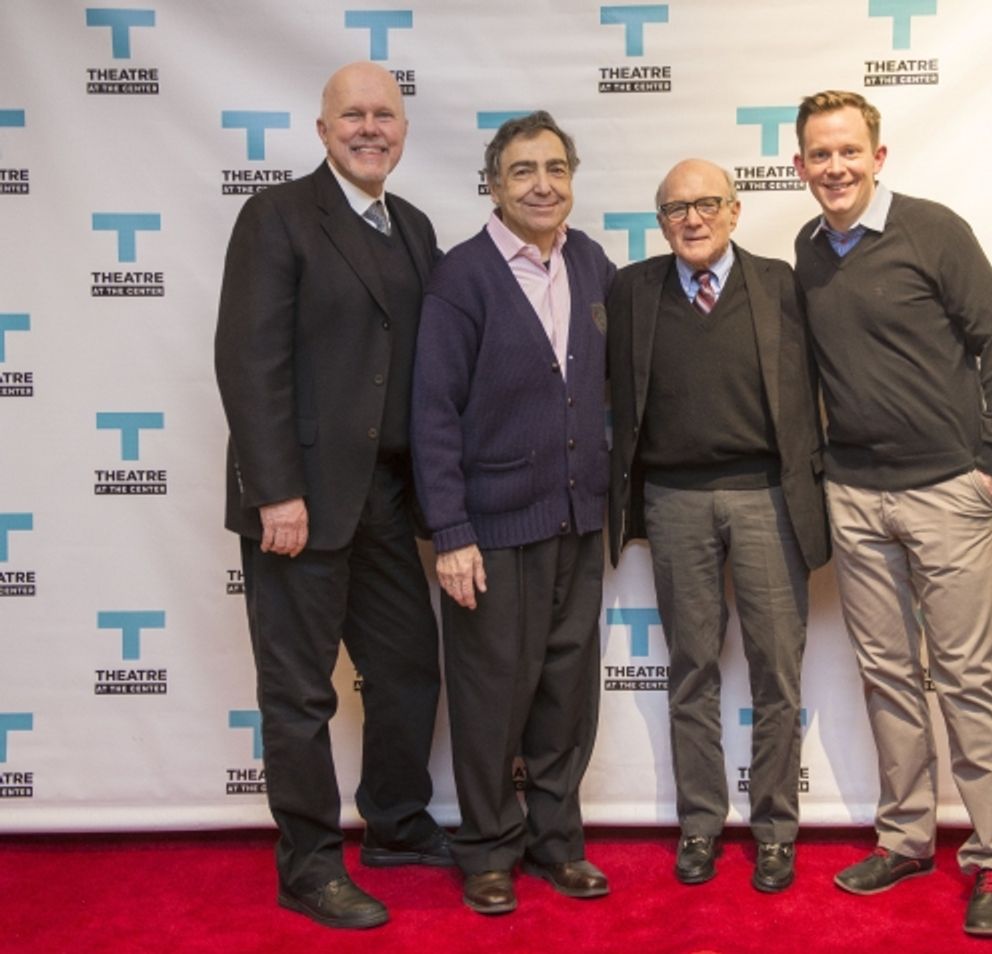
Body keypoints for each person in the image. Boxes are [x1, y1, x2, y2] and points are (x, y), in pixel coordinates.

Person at [791, 90, 992, 937]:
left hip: (946, 494)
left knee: (967, 679)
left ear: (878, 156)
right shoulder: (808, 249)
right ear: (799, 166)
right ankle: (904, 837)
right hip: (854, 496)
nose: (835, 168)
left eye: (849, 152)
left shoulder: (935, 231)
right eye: (819, 155)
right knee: (889, 676)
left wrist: (990, 469)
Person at [214, 61, 450, 931]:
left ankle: (394, 824)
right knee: (301, 692)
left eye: (384, 115)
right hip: (300, 505)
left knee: (407, 671)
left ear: (402, 130)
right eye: (352, 114)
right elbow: (249, 361)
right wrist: (275, 490)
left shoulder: (416, 228)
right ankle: (309, 865)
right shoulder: (277, 216)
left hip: (386, 497)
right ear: (322, 129)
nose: (369, 128)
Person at [410, 111, 614, 916]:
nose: (542, 183)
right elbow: (432, 415)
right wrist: (452, 533)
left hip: (576, 522)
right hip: (492, 532)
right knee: (493, 695)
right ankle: (489, 847)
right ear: (493, 184)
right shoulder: (462, 276)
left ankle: (558, 843)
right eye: (523, 169)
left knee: (567, 693)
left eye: (556, 168)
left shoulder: (592, 262)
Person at [607, 159, 829, 893]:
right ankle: (699, 824)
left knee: (776, 671)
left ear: (734, 212)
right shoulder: (632, 291)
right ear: (661, 220)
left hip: (766, 495)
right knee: (692, 671)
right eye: (676, 208)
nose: (692, 219)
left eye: (706, 204)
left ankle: (774, 829)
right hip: (673, 502)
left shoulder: (779, 284)